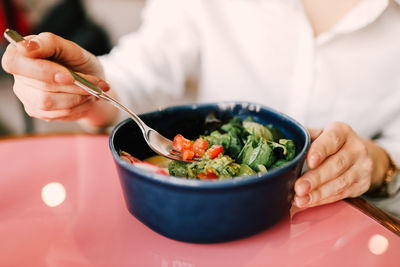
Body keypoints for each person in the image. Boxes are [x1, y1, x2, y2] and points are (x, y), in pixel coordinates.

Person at [2, 0, 400, 216]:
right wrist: (88, 90)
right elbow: (141, 73)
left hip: (343, 225)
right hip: (199, 224)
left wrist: (382, 163)